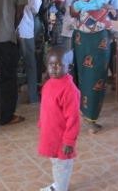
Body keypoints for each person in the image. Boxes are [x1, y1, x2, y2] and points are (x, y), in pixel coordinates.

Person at [70, 0, 118, 133]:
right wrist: (101, 10)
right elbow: (117, 14)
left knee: (81, 73)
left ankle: (77, 112)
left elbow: (72, 12)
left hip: (80, 37)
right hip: (100, 38)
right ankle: (91, 120)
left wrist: (84, 8)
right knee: (97, 76)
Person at [39, 47, 80, 191]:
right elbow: (46, 108)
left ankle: (60, 188)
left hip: (63, 138)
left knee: (62, 165)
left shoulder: (69, 90)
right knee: (56, 162)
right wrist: (42, 123)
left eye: (59, 65)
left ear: (68, 66)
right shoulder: (49, 84)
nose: (54, 68)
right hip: (51, 134)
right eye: (51, 64)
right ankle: (58, 185)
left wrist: (69, 141)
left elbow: (73, 118)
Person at [18, 0, 41, 104]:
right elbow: (35, 7)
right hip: (26, 27)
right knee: (30, 63)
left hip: (10, 29)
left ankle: (12, 96)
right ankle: (33, 97)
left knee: (13, 63)